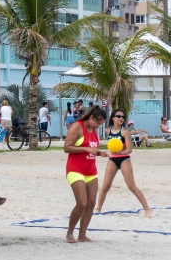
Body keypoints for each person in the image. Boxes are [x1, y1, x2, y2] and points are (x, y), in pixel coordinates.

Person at [94, 109, 152, 218]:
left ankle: (147, 209)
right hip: (112, 159)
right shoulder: (108, 130)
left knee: (131, 186)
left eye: (123, 116)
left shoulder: (124, 131)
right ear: (113, 118)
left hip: (124, 158)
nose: (121, 118)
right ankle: (98, 209)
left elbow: (129, 149)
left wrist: (121, 152)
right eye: (118, 116)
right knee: (105, 186)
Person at [64, 104, 108, 243]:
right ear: (91, 117)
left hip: (91, 171)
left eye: (100, 125)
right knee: (81, 203)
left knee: (91, 203)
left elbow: (92, 148)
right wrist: (85, 149)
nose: (98, 127)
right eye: (97, 123)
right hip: (75, 170)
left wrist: (99, 152)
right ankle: (70, 232)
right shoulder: (77, 126)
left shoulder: (93, 130)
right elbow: (67, 148)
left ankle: (82, 235)